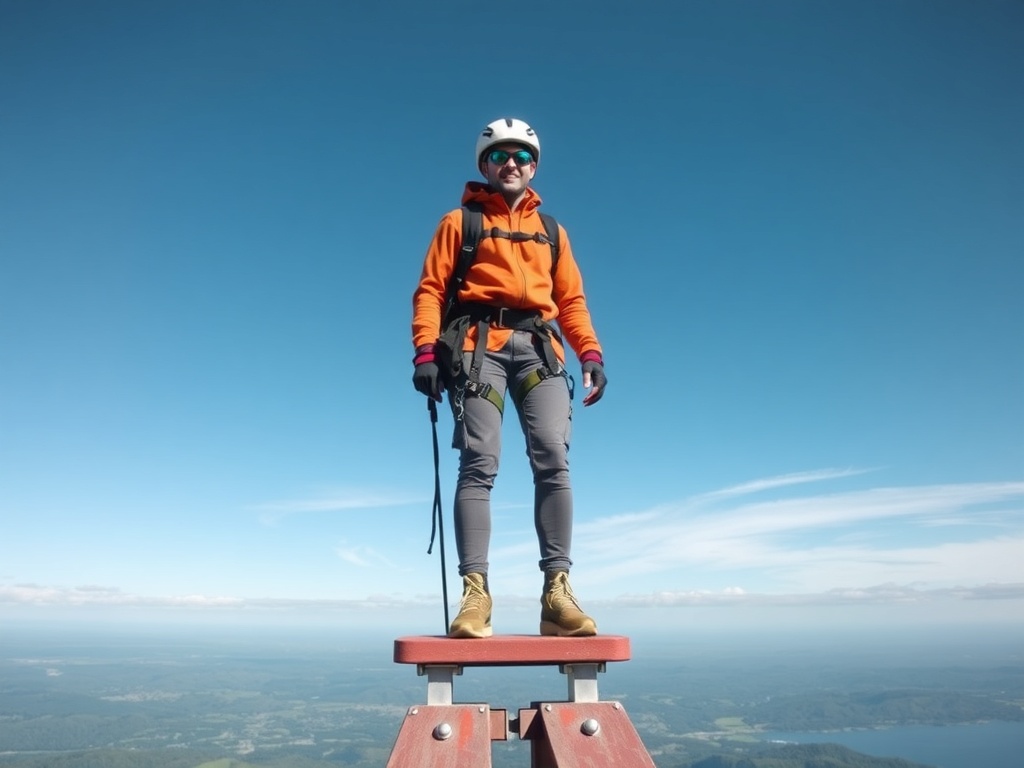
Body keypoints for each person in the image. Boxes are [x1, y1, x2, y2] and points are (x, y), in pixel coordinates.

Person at [411, 117, 607, 639]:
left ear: (534, 165)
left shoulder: (552, 232)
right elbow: (431, 290)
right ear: (485, 165)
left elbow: (571, 300)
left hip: (541, 350)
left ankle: (557, 593)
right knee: (479, 461)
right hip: (479, 349)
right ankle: (476, 594)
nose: (511, 163)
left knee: (552, 455)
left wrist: (590, 351)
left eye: (521, 156)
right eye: (500, 156)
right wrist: (426, 352)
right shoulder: (460, 222)